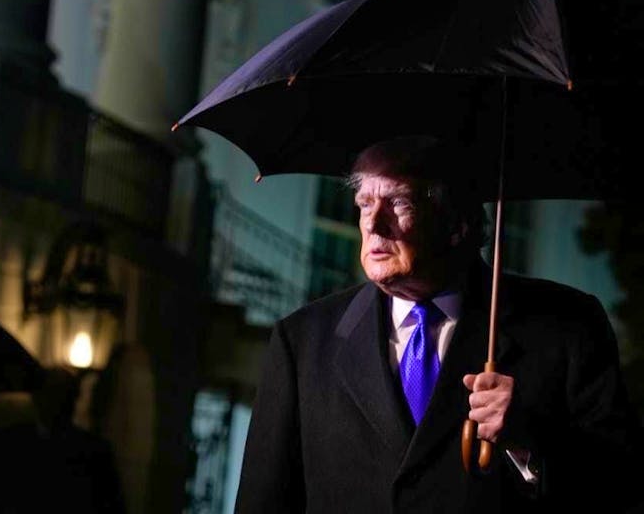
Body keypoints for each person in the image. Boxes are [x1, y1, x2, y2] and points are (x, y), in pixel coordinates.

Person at [234, 135, 643, 513]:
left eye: (399, 203)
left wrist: (529, 438)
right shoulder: (301, 342)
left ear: (456, 223)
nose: (374, 225)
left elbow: (620, 489)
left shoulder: (568, 327)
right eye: (364, 204)